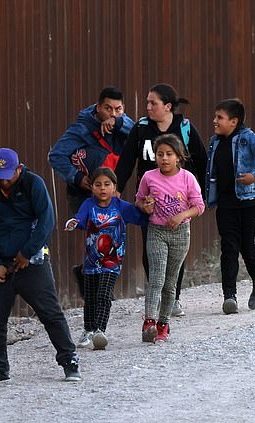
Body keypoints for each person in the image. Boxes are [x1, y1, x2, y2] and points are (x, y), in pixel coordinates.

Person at [0, 147, 81, 385]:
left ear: (19, 169)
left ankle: (69, 360)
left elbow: (47, 221)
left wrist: (26, 253)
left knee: (50, 312)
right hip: (1, 264)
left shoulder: (33, 183)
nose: (3, 181)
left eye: (8, 175)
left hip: (32, 261)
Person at [115, 83, 207, 317]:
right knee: (151, 252)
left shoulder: (184, 128)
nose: (148, 107)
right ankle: (156, 295)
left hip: (178, 203)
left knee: (176, 252)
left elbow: (201, 161)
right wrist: (117, 188)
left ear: (167, 106)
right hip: (150, 204)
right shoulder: (141, 129)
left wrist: (198, 197)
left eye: (152, 103)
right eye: (147, 102)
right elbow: (126, 161)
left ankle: (173, 297)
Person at [49, 86, 134, 298]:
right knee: (98, 231)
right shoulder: (82, 129)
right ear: (98, 108)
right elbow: (56, 155)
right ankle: (97, 285)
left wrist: (118, 122)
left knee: (109, 236)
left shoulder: (123, 124)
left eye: (118, 109)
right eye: (108, 109)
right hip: (83, 193)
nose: (112, 114)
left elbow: (139, 130)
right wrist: (77, 178)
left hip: (111, 191)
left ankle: (93, 281)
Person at [65, 167, 146, 350]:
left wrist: (149, 209)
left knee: (103, 295)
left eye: (107, 184)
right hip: (91, 261)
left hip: (112, 261)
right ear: (92, 187)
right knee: (91, 297)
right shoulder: (88, 204)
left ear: (114, 187)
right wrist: (73, 223)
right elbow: (80, 219)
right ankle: (88, 329)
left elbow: (140, 217)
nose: (102, 188)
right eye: (98, 184)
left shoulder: (120, 206)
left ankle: (100, 331)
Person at [206, 98, 255, 314]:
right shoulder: (214, 142)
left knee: (248, 248)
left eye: (220, 117)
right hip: (226, 205)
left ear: (234, 121)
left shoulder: (249, 138)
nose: (215, 121)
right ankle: (230, 296)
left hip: (251, 204)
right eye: (215, 116)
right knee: (228, 249)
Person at [135, 134, 205, 342]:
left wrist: (182, 215)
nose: (164, 158)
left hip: (180, 234)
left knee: (170, 282)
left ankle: (163, 324)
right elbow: (139, 200)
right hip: (156, 231)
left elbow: (199, 207)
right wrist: (145, 206)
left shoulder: (187, 178)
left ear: (178, 157)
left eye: (169, 154)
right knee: (156, 277)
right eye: (159, 154)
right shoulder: (149, 177)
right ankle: (149, 321)